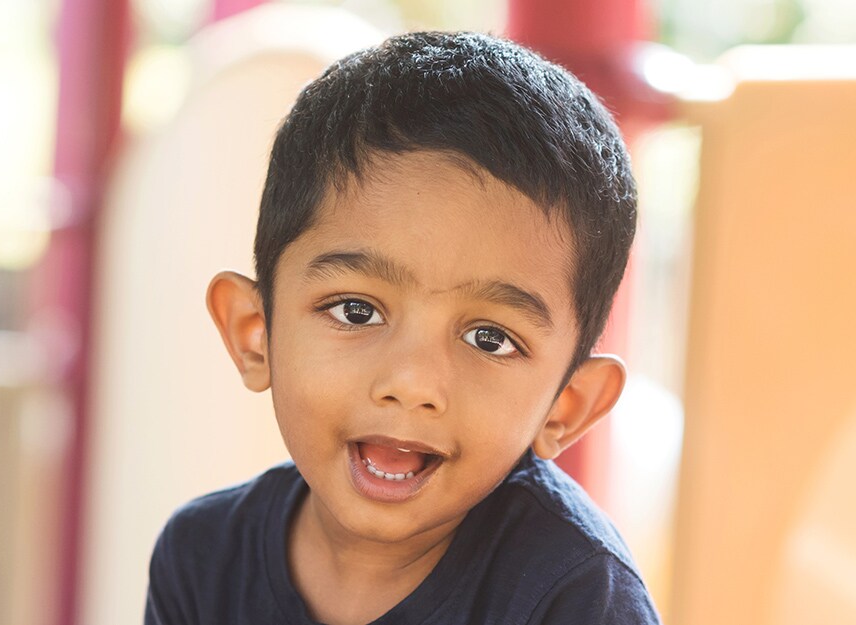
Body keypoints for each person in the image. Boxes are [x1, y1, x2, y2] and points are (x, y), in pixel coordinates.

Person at [144, 31, 658, 624]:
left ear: (565, 407)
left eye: (489, 339)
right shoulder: (203, 559)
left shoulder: (575, 597)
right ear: (255, 332)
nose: (412, 381)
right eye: (356, 311)